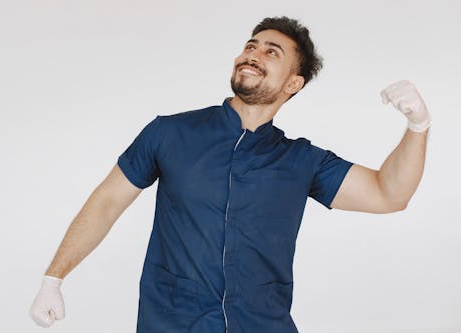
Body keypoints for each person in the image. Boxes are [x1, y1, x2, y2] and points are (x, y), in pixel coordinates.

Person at [29, 16, 431, 332]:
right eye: (250, 46)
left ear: (294, 83)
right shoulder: (169, 133)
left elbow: (387, 194)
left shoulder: (301, 161)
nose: (253, 54)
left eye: (272, 52)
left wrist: (417, 127)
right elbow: (106, 202)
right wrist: (54, 277)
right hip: (173, 325)